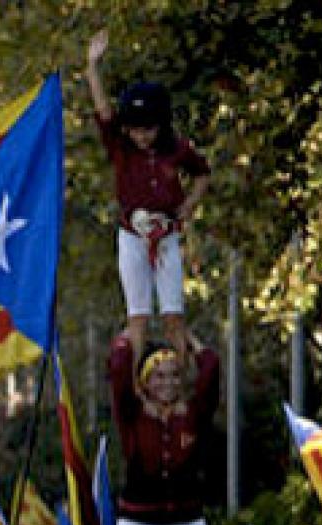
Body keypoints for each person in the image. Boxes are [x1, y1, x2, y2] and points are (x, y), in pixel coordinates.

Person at [85, 30, 212, 361]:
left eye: (149, 128)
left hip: (166, 234)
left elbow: (202, 173)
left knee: (173, 316)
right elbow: (103, 110)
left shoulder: (176, 149)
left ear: (161, 125)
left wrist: (189, 205)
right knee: (138, 316)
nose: (142, 136)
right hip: (132, 234)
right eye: (135, 129)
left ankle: (178, 379)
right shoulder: (121, 147)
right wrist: (93, 67)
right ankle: (138, 383)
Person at [107, 332, 219, 525]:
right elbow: (118, 374)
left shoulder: (191, 415)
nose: (167, 382)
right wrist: (130, 337)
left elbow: (210, 373)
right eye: (159, 376)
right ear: (145, 381)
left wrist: (190, 340)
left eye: (174, 375)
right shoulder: (133, 416)